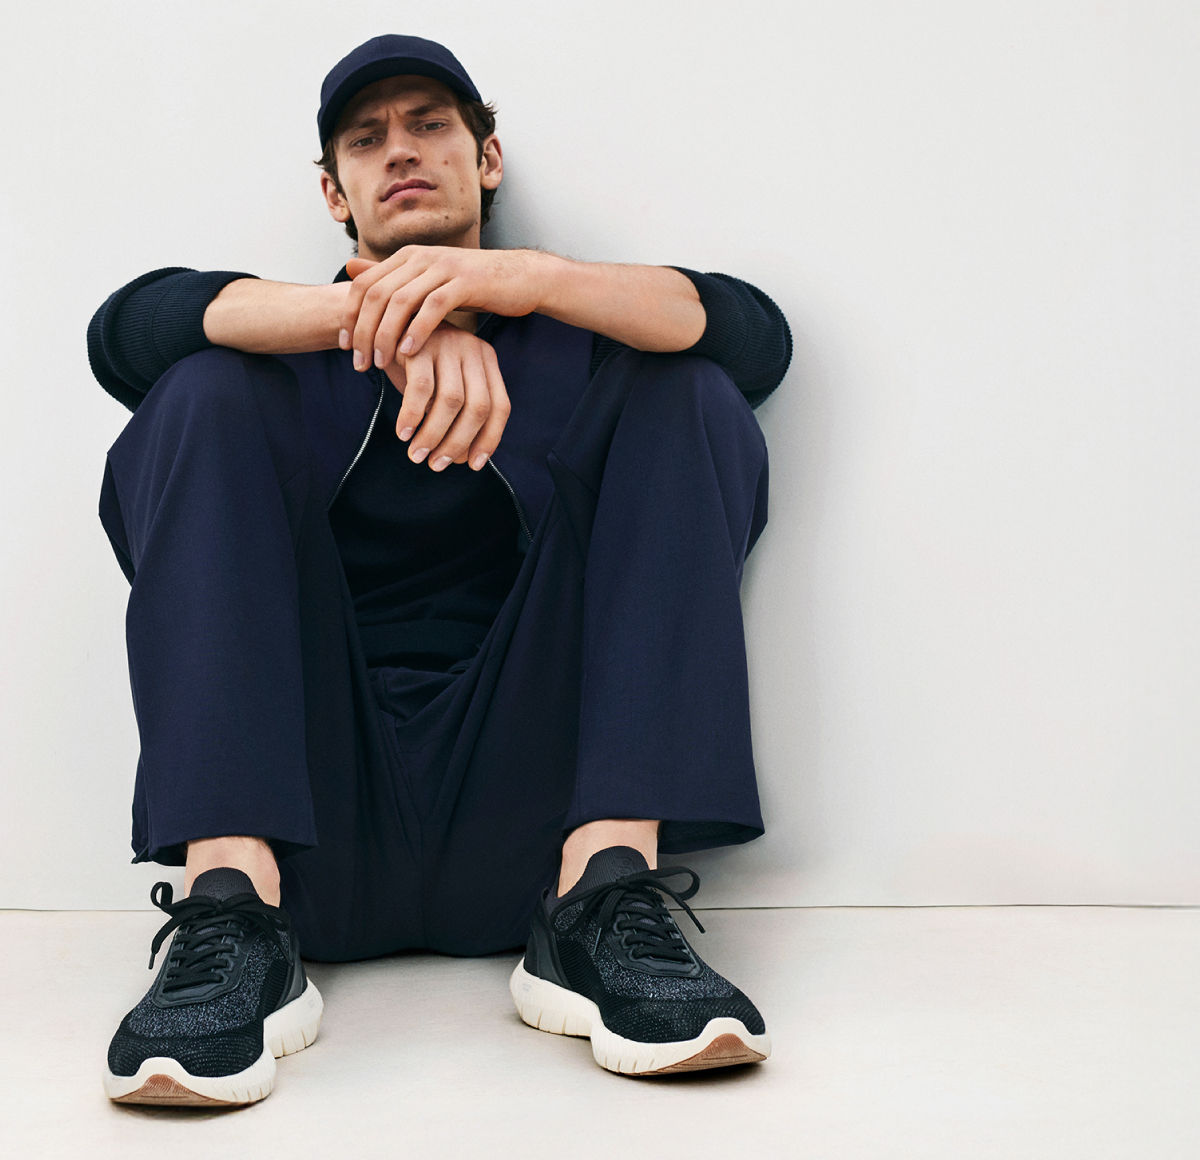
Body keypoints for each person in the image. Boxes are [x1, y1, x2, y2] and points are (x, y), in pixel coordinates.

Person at [88, 34, 792, 1106]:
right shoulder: (279, 357)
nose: (400, 151)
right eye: (367, 140)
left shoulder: (580, 342)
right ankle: (229, 908)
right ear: (334, 193)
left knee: (687, 391)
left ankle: (607, 902)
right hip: (310, 832)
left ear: (488, 159)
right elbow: (125, 332)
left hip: (542, 833)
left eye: (429, 126)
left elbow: (754, 337)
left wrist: (521, 284)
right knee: (195, 394)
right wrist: (380, 320)